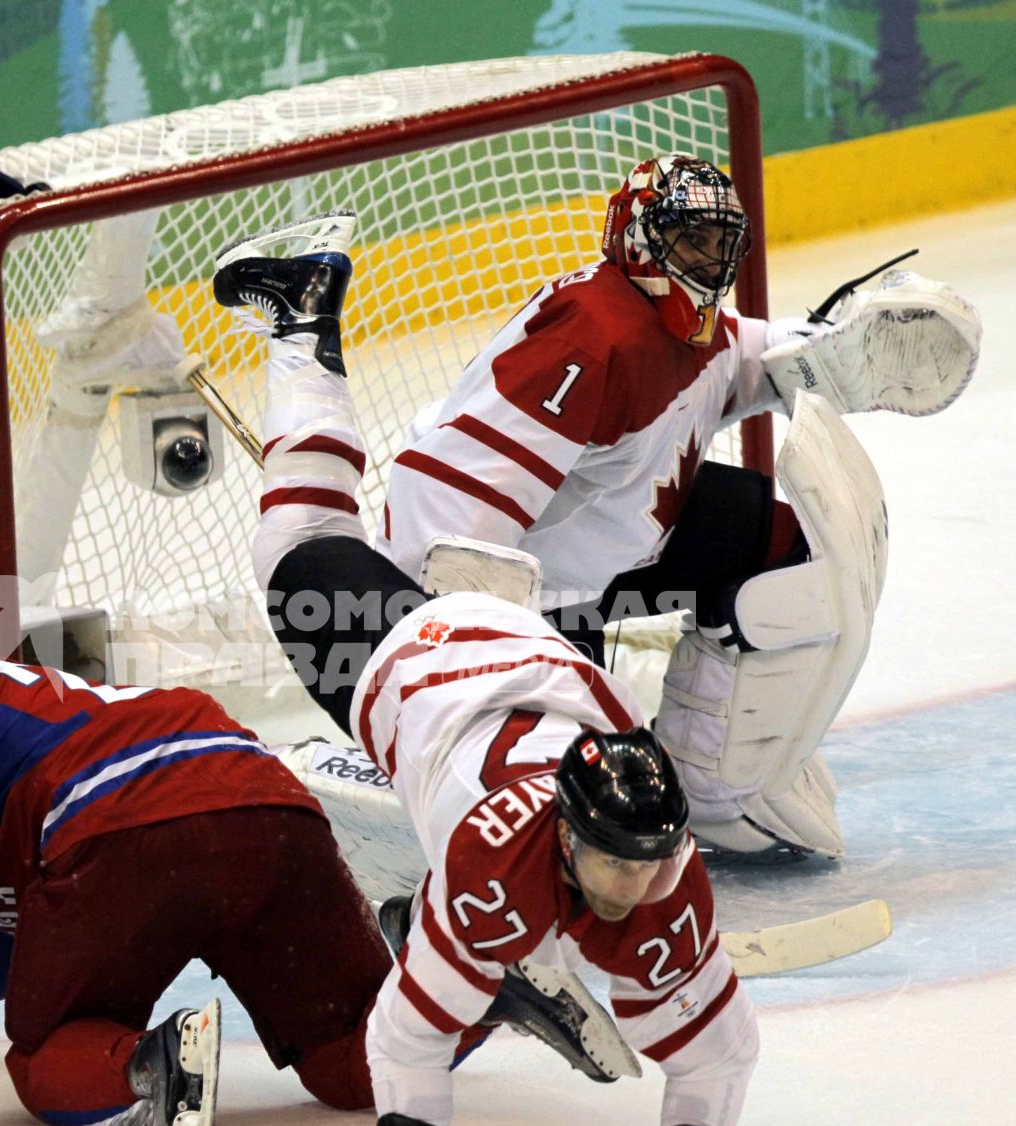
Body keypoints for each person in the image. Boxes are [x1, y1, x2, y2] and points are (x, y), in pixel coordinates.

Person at [212, 212, 760, 1126]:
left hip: (541, 646)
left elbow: (722, 1046)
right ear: (559, 832)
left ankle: (301, 326)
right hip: (422, 660)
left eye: (643, 863)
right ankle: (298, 318)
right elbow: (406, 1029)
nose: (628, 882)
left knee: (319, 543)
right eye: (609, 860)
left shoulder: (660, 869)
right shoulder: (491, 859)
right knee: (301, 542)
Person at [0, 590, 584, 1126]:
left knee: (40, 1059)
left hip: (130, 833)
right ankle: (482, 985)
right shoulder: (3, 707)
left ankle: (154, 1065)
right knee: (352, 1064)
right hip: (270, 809)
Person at [363, 154, 978, 859]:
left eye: (723, 242)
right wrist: (463, 645)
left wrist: (834, 352)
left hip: (618, 551)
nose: (712, 260)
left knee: (779, 541)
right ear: (638, 238)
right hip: (541, 593)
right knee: (578, 805)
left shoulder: (687, 323)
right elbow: (447, 493)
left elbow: (742, 357)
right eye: (693, 239)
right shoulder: (591, 336)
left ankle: (711, 773)